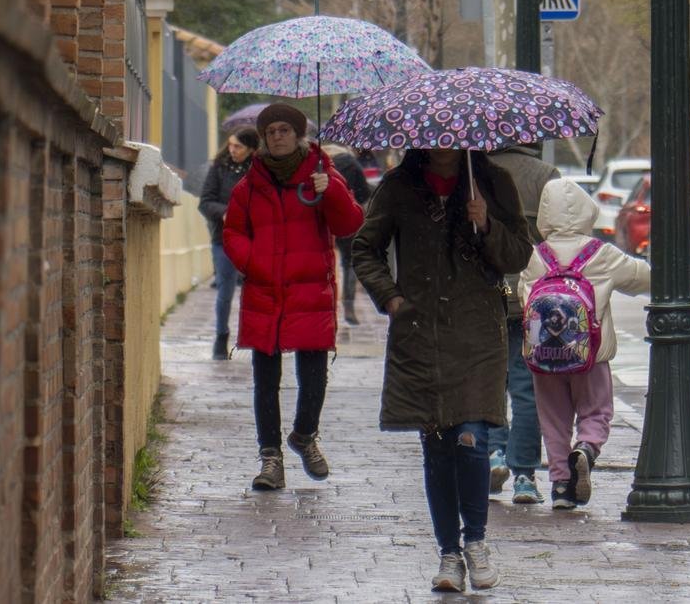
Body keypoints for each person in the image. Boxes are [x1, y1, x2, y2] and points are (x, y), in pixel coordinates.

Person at [352, 148, 532, 593]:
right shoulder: (399, 186)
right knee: (437, 444)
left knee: (472, 438)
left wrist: (487, 223)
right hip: (420, 334)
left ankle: (476, 542)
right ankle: (448, 553)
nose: (445, 145)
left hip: (476, 333)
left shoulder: (492, 182)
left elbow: (519, 255)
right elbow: (364, 249)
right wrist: (391, 298)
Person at [222, 104, 364, 491]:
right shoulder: (250, 185)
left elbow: (350, 223)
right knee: (265, 378)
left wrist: (330, 190)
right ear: (264, 138)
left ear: (298, 135)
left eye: (285, 130)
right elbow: (233, 231)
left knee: (313, 376)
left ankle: (304, 436)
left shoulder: (321, 174)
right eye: (271, 132)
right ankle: (271, 458)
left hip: (310, 289)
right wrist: (252, 262)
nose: (278, 136)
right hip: (264, 289)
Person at [517, 177, 650, 509]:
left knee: (553, 420)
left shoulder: (536, 257)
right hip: (590, 355)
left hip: (544, 357)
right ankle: (586, 449)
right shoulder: (600, 254)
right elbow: (641, 277)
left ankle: (561, 486)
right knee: (596, 411)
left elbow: (525, 299)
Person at [485, 145, 560, 504]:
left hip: (483, 293)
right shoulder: (545, 175)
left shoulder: (476, 172)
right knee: (527, 388)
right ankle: (525, 475)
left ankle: (494, 453)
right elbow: (557, 236)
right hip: (532, 296)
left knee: (488, 384)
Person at [200, 125, 259, 359]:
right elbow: (205, 202)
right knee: (225, 290)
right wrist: (226, 212)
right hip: (223, 238)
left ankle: (254, 337)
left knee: (256, 290)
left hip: (254, 238)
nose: (232, 150)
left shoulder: (259, 170)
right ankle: (221, 337)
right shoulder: (219, 167)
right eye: (231, 144)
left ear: (252, 150)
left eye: (239, 146)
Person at [321, 144, 372, 325]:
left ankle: (325, 303)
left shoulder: (319, 163)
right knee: (349, 262)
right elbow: (364, 192)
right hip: (347, 217)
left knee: (322, 262)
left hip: (322, 219)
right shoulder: (352, 163)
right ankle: (348, 305)